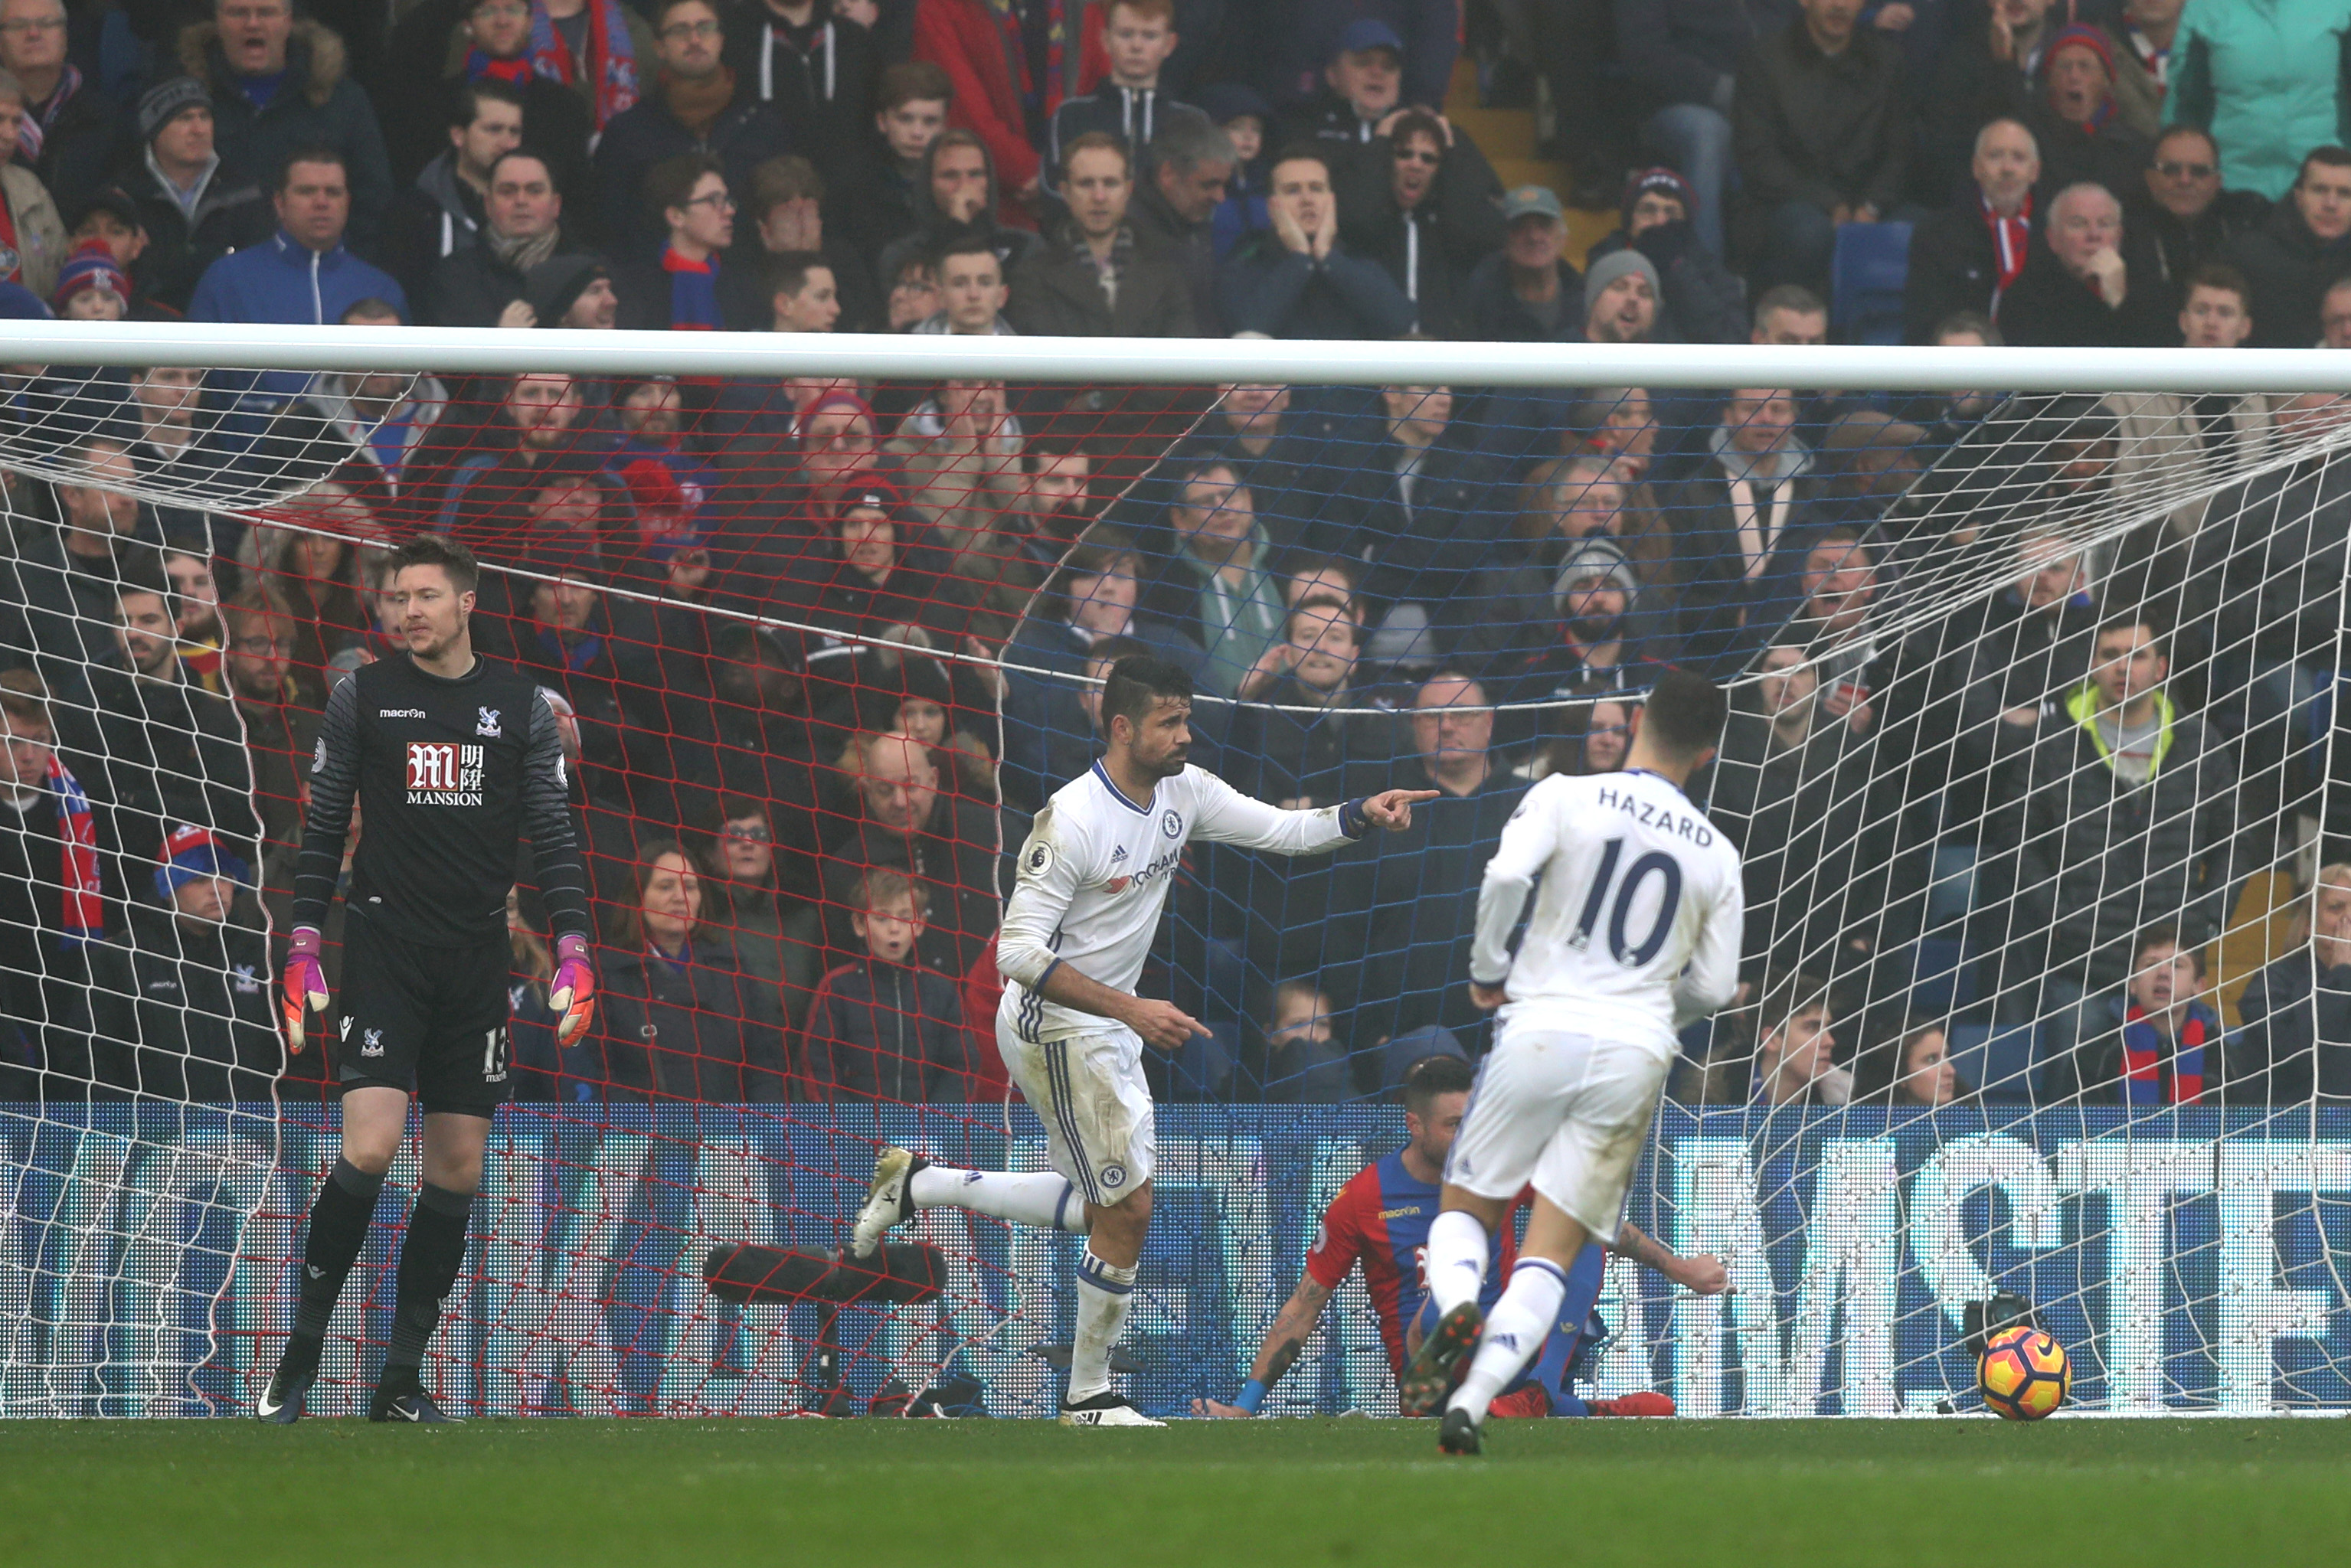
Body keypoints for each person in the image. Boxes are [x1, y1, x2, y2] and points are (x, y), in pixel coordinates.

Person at [849, 654, 1438, 1426]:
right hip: (1052, 1024)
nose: (1185, 733)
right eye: (1169, 720)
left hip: (1109, 1024)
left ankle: (918, 1182)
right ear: (1122, 725)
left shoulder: (1183, 791)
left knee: (1108, 1205)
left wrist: (1360, 812)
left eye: (1186, 717)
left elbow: (1284, 830)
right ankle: (1089, 1396)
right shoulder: (1071, 818)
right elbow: (1015, 956)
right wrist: (1128, 1009)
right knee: (1126, 1208)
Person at [257, 534, 595, 1426]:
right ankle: (300, 1354)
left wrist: (573, 947)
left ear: (466, 601)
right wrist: (301, 942)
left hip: (476, 959)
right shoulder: (361, 696)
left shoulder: (520, 707)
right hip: (384, 950)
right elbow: (325, 824)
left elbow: (553, 839)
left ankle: (399, 1378)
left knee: (457, 1166)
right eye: (396, 597)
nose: (408, 610)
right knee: (369, 1147)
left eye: (424, 595)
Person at [1406, 668, 1740, 1454]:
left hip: (1542, 1024)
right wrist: (1654, 1008)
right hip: (1633, 1053)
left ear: (1635, 720)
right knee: (1554, 1246)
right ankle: (1477, 1398)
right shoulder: (1717, 852)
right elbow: (1717, 986)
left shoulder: (1566, 793)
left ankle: (1456, 1303)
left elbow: (1505, 875)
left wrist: (1488, 969)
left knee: (1470, 1207)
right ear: (1708, 751)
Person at [1195, 1053, 1722, 1418]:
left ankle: (1541, 1391)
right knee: (1447, 1300)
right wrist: (1246, 1403)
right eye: (1453, 1125)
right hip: (1428, 1375)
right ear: (1414, 1125)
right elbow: (1304, 1306)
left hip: (1509, 1349)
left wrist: (1679, 1269)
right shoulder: (1364, 1198)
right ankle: (1578, 1408)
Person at [2010, 615, 2239, 1098]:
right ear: (2092, 666)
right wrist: (2058, 917)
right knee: (2067, 1110)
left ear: (2160, 668)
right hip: (2083, 962)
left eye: (2135, 655)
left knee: (2186, 1109)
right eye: (2109, 655)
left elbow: (2235, 843)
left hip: (2169, 965)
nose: (2122, 668)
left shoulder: (2201, 745)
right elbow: (2018, 846)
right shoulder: (2052, 746)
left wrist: (2207, 918)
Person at [180, 0, 394, 251]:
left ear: (288, 20)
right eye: (238, 13)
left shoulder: (342, 100)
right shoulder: (184, 100)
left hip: (316, 272)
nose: (252, 24)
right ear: (217, 21)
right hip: (213, 271)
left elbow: (373, 200)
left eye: (267, 12)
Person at [1729, 0, 1911, 296]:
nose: (1840, 5)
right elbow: (1757, 157)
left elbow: (1900, 151)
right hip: (1784, 204)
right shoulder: (1764, 58)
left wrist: (1872, 205)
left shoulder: (1888, 61)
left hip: (1866, 202)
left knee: (1921, 230)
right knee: (1810, 232)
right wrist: (1829, 204)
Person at [590, 0, 797, 254]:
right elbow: (612, 230)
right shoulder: (627, 132)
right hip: (659, 282)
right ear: (659, 48)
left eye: (706, 27)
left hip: (750, 282)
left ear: (721, 39)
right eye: (680, 30)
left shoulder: (764, 124)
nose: (695, 39)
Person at [592, 839, 791, 1102]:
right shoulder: (607, 975)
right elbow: (596, 1073)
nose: (680, 897)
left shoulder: (731, 969)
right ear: (638, 897)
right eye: (666, 887)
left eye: (690, 887)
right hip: (643, 1137)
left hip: (729, 1135)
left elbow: (765, 1064)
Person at [125, 822, 280, 1100]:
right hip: (158, 1131)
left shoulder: (263, 954)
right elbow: (95, 1059)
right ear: (168, 889)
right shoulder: (126, 957)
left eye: (224, 877)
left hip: (253, 1131)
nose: (217, 890)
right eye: (199, 879)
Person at [799, 865, 970, 1100]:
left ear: (919, 925)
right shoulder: (837, 987)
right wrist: (849, 1130)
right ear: (859, 924)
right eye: (882, 918)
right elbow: (819, 1067)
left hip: (925, 1132)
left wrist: (934, 1126)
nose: (894, 929)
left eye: (905, 918)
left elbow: (960, 1067)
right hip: (855, 1130)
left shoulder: (941, 991)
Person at [1334, 106, 1506, 338]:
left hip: (1440, 361)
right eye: (1404, 154)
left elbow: (1481, 232)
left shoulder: (1449, 224)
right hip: (1375, 359)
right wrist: (1380, 142)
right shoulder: (1371, 219)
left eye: (1429, 158)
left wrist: (1452, 152)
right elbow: (1355, 220)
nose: (1416, 164)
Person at [1009, 132, 1197, 336]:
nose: (1099, 197)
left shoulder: (1170, 265)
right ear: (1065, 192)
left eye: (1110, 183)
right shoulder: (1031, 275)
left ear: (1128, 189)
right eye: (1086, 184)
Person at [1218, 144, 1414, 340]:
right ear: (1271, 207)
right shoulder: (1246, 262)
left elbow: (1399, 320)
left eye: (1316, 189)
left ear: (1331, 200)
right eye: (1293, 190)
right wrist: (1299, 260)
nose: (1307, 199)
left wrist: (1328, 258)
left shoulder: (1357, 259)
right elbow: (1245, 329)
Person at [2162, 1, 2351, 201]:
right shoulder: (2205, 9)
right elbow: (2184, 102)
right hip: (2231, 185)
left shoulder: (2339, 6)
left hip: (2328, 187)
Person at [1614, 0, 1758, 260]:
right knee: (1707, 133)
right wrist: (1721, 89)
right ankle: (1704, 272)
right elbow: (1645, 52)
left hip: (1758, 105)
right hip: (1670, 106)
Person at [121, 77, 274, 315]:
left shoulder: (245, 192)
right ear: (155, 129)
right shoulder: (124, 196)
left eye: (205, 116)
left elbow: (258, 271)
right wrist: (216, 255)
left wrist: (162, 259)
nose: (199, 129)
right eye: (184, 118)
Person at [382, 80, 524, 305]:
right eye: (494, 130)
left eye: (514, 132)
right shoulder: (416, 212)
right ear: (458, 135)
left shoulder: (533, 206)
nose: (507, 143)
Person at [1904, 118, 2039, 345]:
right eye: (1995, 156)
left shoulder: (2054, 236)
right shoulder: (1935, 234)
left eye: (2018, 158)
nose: (2007, 168)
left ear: (2034, 171)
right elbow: (1923, 325)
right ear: (1976, 167)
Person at [1581, 165, 1745, 346]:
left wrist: (1675, 269)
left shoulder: (1711, 274)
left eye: (1671, 213)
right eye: (1648, 210)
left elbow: (1730, 341)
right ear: (1630, 221)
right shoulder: (1601, 264)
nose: (1660, 221)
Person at [1999, 181, 2172, 348]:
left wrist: (2120, 301)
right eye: (2078, 224)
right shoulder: (2025, 298)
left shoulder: (2149, 291)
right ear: (2052, 239)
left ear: (2119, 236)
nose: (2094, 235)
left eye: (2104, 224)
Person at [1046, 0, 1205, 178]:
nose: (1136, 46)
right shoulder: (1072, 116)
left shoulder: (1192, 122)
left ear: (1169, 44)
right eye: (1126, 34)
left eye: (1150, 36)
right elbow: (1055, 188)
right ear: (1105, 40)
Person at [2065, 924, 2221, 1104]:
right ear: (2133, 984)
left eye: (2177, 965)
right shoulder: (2095, 1057)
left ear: (2199, 986)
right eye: (2151, 964)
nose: (2163, 973)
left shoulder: (2223, 1058)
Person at [2235, 862, 2351, 1102]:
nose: (2348, 918)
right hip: (2293, 1129)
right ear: (2309, 924)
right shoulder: (2271, 983)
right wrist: (2342, 973)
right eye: (2337, 908)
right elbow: (2299, 1056)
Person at [2127, 124, 2271, 312]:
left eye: (2199, 171)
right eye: (2171, 169)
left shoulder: (2245, 224)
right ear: (2150, 179)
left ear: (2217, 182)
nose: (2185, 180)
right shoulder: (2124, 232)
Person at [2223, 145, 2351, 350]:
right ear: (2299, 197)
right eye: (2320, 190)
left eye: (2344, 193)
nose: (2331, 204)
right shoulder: (2247, 256)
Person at [423, 149, 567, 328]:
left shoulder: (590, 271)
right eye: (508, 191)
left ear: (556, 205)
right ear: (488, 205)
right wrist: (498, 337)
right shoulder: (455, 277)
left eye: (535, 191)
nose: (521, 200)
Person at [1461, 184, 1580, 342]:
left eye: (1544, 225)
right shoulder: (1478, 302)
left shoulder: (1587, 299)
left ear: (1563, 237)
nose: (1534, 237)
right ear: (1503, 238)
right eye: (1520, 227)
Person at [0, 68, 64, 299]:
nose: (9, 134)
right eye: (0, 119)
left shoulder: (30, 189)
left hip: (25, 330)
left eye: (16, 122)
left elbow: (58, 269)